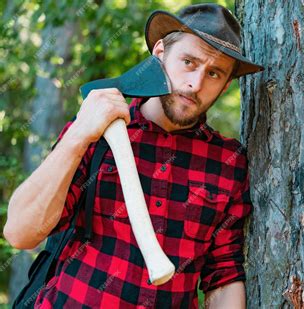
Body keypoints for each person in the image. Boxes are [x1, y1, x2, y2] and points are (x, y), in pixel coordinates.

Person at [4, 3, 263, 308]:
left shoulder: (227, 163)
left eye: (214, 73)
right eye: (189, 62)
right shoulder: (97, 129)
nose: (195, 84)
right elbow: (21, 233)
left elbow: (223, 278)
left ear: (226, 86)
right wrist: (79, 134)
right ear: (159, 53)